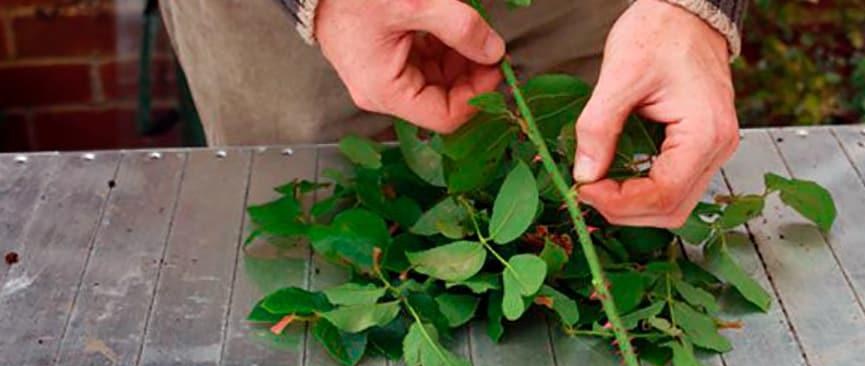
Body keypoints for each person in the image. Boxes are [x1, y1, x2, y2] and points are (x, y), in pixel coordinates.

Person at [159, 0, 744, 227]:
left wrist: (698, 9)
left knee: (597, 223)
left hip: (598, 14)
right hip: (293, 34)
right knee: (314, 249)